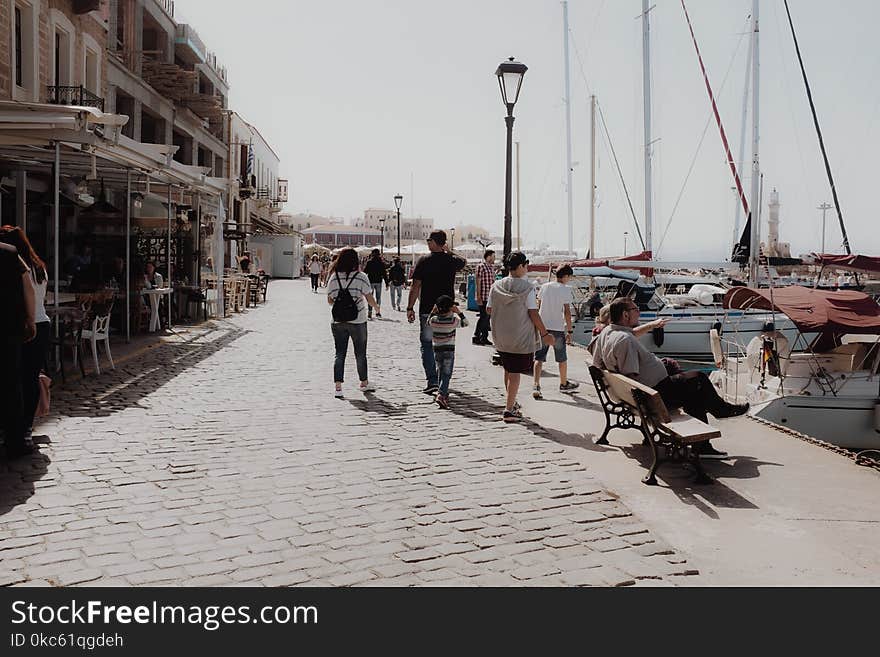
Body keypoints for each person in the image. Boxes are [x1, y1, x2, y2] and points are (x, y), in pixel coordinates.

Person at [590, 297, 748, 458]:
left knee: (691, 386)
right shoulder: (625, 340)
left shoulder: (608, 332)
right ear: (625, 315)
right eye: (635, 309)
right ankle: (720, 413)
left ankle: (703, 445)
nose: (639, 312)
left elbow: (597, 364)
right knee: (698, 379)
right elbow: (632, 378)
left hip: (632, 396)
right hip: (651, 397)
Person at [487, 252, 555, 423]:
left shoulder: (496, 286)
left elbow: (489, 309)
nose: (527, 268)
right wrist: (545, 334)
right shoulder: (527, 288)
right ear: (520, 266)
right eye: (526, 265)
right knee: (516, 372)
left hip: (501, 335)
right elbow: (533, 313)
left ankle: (511, 402)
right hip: (520, 335)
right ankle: (509, 410)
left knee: (508, 369)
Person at [0, 227, 51, 446]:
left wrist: (29, 321)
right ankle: (27, 426)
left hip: (26, 326)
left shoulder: (15, 266)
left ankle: (17, 427)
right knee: (30, 378)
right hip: (43, 322)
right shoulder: (39, 266)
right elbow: (42, 296)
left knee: (16, 378)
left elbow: (26, 295)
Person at [406, 230, 466, 394]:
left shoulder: (424, 261)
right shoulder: (451, 260)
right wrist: (448, 250)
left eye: (429, 240)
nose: (427, 243)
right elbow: (463, 261)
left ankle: (433, 380)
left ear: (434, 242)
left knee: (427, 344)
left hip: (427, 309)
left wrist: (410, 307)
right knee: (446, 345)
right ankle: (442, 381)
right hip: (447, 310)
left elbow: (415, 285)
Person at [326, 247, 381, 398]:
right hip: (358, 320)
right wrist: (376, 308)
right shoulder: (361, 276)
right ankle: (364, 383)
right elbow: (369, 297)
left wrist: (341, 302)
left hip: (338, 321)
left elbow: (330, 301)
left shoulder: (334, 277)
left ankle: (338, 387)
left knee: (339, 353)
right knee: (360, 353)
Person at [1, 240, 37, 459]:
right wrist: (31, 321)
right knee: (10, 385)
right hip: (7, 329)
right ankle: (15, 441)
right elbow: (28, 288)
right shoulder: (10, 252)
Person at [532, 264, 579, 399]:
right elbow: (567, 312)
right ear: (565, 276)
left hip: (543, 327)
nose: (569, 279)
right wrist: (569, 331)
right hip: (557, 328)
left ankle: (536, 385)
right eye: (569, 277)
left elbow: (538, 306)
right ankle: (563, 383)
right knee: (561, 358)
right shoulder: (565, 289)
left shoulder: (545, 286)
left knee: (539, 358)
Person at [428, 294, 468, 409]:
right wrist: (459, 312)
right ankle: (441, 394)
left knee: (440, 371)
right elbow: (466, 323)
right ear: (451, 308)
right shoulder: (453, 321)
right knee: (447, 373)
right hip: (448, 351)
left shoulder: (434, 320)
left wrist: (433, 311)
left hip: (437, 349)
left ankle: (443, 393)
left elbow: (427, 322)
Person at [473, 249, 496, 346]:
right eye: (493, 256)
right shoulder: (481, 266)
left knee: (487, 318)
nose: (494, 258)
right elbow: (478, 281)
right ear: (489, 256)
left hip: (490, 296)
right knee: (483, 317)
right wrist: (478, 296)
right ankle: (477, 336)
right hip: (482, 295)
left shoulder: (491, 267)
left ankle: (484, 337)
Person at [363, 249, 388, 319]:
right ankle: (378, 312)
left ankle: (370, 312)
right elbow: (384, 274)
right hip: (379, 281)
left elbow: (365, 272)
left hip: (370, 281)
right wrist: (386, 283)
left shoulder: (369, 262)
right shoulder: (381, 263)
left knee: (370, 297)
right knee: (378, 297)